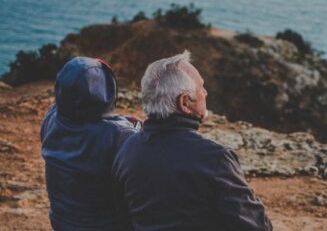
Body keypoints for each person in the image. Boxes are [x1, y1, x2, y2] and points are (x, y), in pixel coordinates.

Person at [112, 50, 272, 231]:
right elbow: (257, 227)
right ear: (185, 102)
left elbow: (122, 219)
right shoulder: (215, 158)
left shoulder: (126, 150)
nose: (206, 93)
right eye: (201, 87)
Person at [41, 57, 141, 230]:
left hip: (61, 221)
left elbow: (88, 123)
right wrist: (135, 125)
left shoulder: (52, 118)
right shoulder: (119, 136)